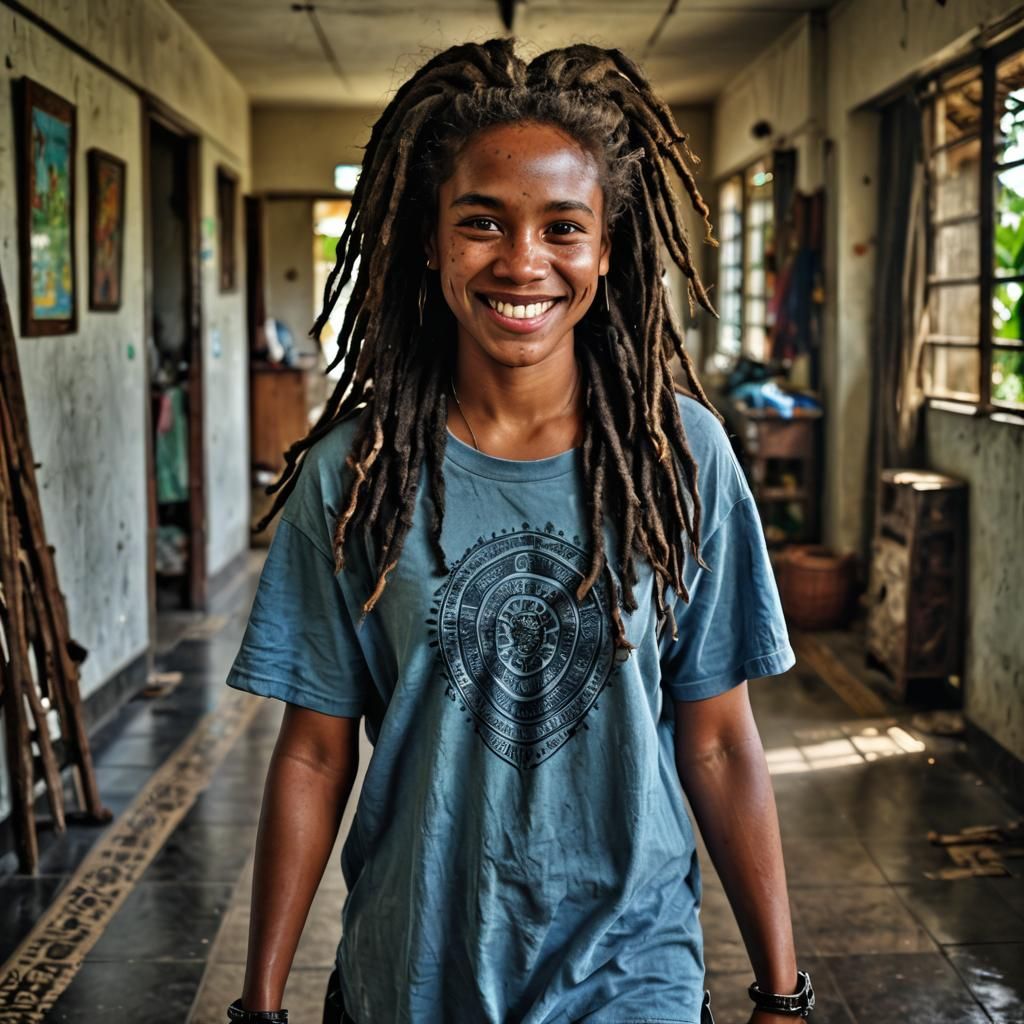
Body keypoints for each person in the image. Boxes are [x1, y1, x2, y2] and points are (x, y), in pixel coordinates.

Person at [224, 39, 814, 1024]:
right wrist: (259, 1003)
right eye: (482, 223)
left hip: (632, 979)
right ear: (427, 240)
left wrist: (782, 991)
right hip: (415, 974)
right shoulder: (356, 477)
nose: (523, 261)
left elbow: (716, 741)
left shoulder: (683, 458)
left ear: (610, 247)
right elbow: (313, 755)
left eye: (562, 227)